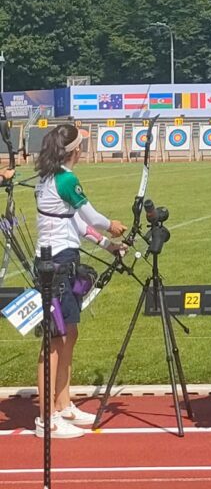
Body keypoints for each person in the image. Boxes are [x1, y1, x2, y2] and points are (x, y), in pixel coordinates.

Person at [34, 125, 127, 439]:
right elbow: (91, 217)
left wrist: (108, 245)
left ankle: (63, 405)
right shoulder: (64, 179)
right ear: (74, 150)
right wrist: (111, 226)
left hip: (64, 262)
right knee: (54, 341)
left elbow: (76, 223)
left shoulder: (54, 178)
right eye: (81, 145)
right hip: (55, 266)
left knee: (68, 334)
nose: (83, 150)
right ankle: (46, 418)